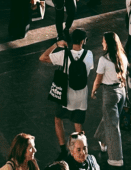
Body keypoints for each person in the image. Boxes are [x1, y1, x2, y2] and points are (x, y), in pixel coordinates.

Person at [40, 29, 95, 160]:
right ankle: (81, 152)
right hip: (81, 97)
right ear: (83, 41)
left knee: (58, 119)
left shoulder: (64, 54)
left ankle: (63, 149)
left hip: (65, 96)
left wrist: (56, 45)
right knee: (78, 125)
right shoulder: (89, 54)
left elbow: (42, 57)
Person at [91, 32, 128, 167]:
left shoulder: (104, 60)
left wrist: (94, 90)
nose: (102, 43)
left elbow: (98, 79)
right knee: (109, 118)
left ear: (108, 43)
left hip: (109, 92)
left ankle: (116, 158)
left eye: (103, 41)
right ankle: (102, 139)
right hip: (121, 91)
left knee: (112, 125)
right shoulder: (123, 57)